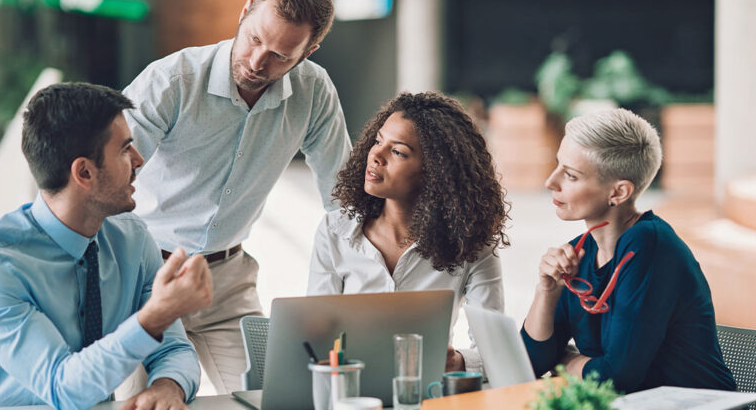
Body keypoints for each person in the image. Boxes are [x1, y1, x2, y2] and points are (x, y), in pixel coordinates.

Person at [121, 0, 351, 393]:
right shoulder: (172, 80)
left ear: (308, 53)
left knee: (273, 398)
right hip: (142, 275)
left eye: (280, 55)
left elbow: (344, 200)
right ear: (244, 12)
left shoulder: (314, 92)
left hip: (227, 285)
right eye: (254, 39)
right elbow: (107, 178)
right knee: (138, 403)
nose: (257, 62)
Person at [0, 83, 213, 409]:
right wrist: (153, 318)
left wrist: (169, 386)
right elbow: (62, 387)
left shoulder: (132, 239)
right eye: (125, 149)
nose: (139, 160)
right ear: (84, 172)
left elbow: (173, 348)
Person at [521, 108, 735, 393]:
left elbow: (616, 377)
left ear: (618, 193)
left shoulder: (649, 244)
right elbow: (529, 365)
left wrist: (565, 361)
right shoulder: (578, 253)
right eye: (558, 165)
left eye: (571, 176)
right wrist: (546, 292)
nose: (550, 182)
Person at [307, 91, 509, 374]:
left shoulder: (472, 244)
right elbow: (314, 337)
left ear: (435, 172)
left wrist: (460, 362)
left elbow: (496, 348)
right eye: (378, 141)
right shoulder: (335, 230)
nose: (375, 155)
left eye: (398, 151)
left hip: (425, 393)